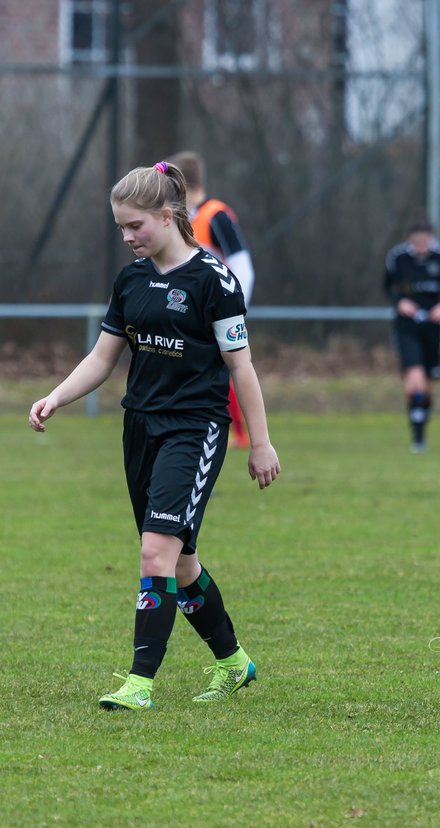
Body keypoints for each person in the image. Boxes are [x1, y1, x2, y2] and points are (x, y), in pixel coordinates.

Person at [29, 161, 280, 711]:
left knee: (155, 552)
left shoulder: (214, 281)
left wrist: (259, 442)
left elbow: (241, 367)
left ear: (167, 217)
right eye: (120, 227)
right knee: (180, 561)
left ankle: (139, 685)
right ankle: (235, 664)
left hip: (196, 429)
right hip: (140, 427)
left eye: (134, 226)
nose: (127, 238)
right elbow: (102, 357)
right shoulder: (132, 281)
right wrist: (57, 396)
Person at [168, 150, 255, 449]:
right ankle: (209, 430)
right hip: (189, 311)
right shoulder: (184, 218)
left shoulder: (216, 215)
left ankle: (239, 433)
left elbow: (242, 266)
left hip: (216, 311)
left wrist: (233, 310)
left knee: (227, 368)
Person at [382, 218, 440, 453]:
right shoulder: (398, 258)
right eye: (417, 241)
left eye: (425, 241)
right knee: (415, 375)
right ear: (410, 239)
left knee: (428, 382)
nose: (421, 245)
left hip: (433, 327)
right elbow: (386, 286)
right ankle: (417, 437)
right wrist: (400, 302)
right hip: (406, 326)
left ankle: (421, 432)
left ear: (431, 239)